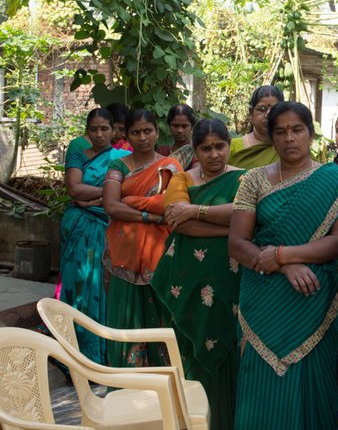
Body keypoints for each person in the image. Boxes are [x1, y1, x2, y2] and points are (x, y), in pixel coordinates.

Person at [228, 102, 338, 430]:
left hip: (313, 299)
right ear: (270, 138)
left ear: (311, 135)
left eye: (297, 130)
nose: (289, 138)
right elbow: (238, 243)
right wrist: (283, 265)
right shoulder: (254, 181)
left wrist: (284, 255)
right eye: (280, 132)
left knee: (314, 384)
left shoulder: (333, 180)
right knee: (262, 389)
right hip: (264, 299)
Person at [151, 119, 244, 430]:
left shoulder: (245, 180)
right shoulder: (181, 179)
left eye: (220, 146)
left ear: (229, 146)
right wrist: (229, 232)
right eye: (206, 148)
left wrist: (197, 211)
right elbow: (178, 222)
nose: (215, 154)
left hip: (230, 281)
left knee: (228, 344)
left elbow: (247, 216)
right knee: (191, 346)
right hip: (187, 281)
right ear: (196, 150)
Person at [102, 109, 181, 368]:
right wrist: (150, 217)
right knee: (124, 323)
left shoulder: (171, 166)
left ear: (157, 133)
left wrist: (132, 202)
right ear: (127, 135)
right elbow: (111, 206)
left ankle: (163, 386)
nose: (142, 137)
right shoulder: (118, 166)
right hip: (123, 255)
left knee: (161, 321)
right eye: (135, 132)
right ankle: (124, 387)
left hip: (160, 257)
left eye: (148, 131)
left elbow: (171, 206)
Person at [60, 109, 131, 363]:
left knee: (105, 287)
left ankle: (104, 355)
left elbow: (128, 193)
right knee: (79, 284)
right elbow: (74, 188)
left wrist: (96, 200)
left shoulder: (123, 158)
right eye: (94, 129)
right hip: (80, 227)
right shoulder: (78, 154)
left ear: (114, 131)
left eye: (104, 129)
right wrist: (107, 194)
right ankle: (77, 355)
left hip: (111, 226)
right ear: (87, 131)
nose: (99, 134)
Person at [228, 85, 284, 169]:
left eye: (274, 110)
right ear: (251, 113)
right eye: (262, 109)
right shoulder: (232, 147)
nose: (267, 115)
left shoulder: (289, 146)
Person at [157, 104, 198, 170]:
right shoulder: (162, 152)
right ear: (169, 126)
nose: (180, 130)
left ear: (192, 127)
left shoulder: (197, 152)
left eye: (184, 126)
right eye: (175, 126)